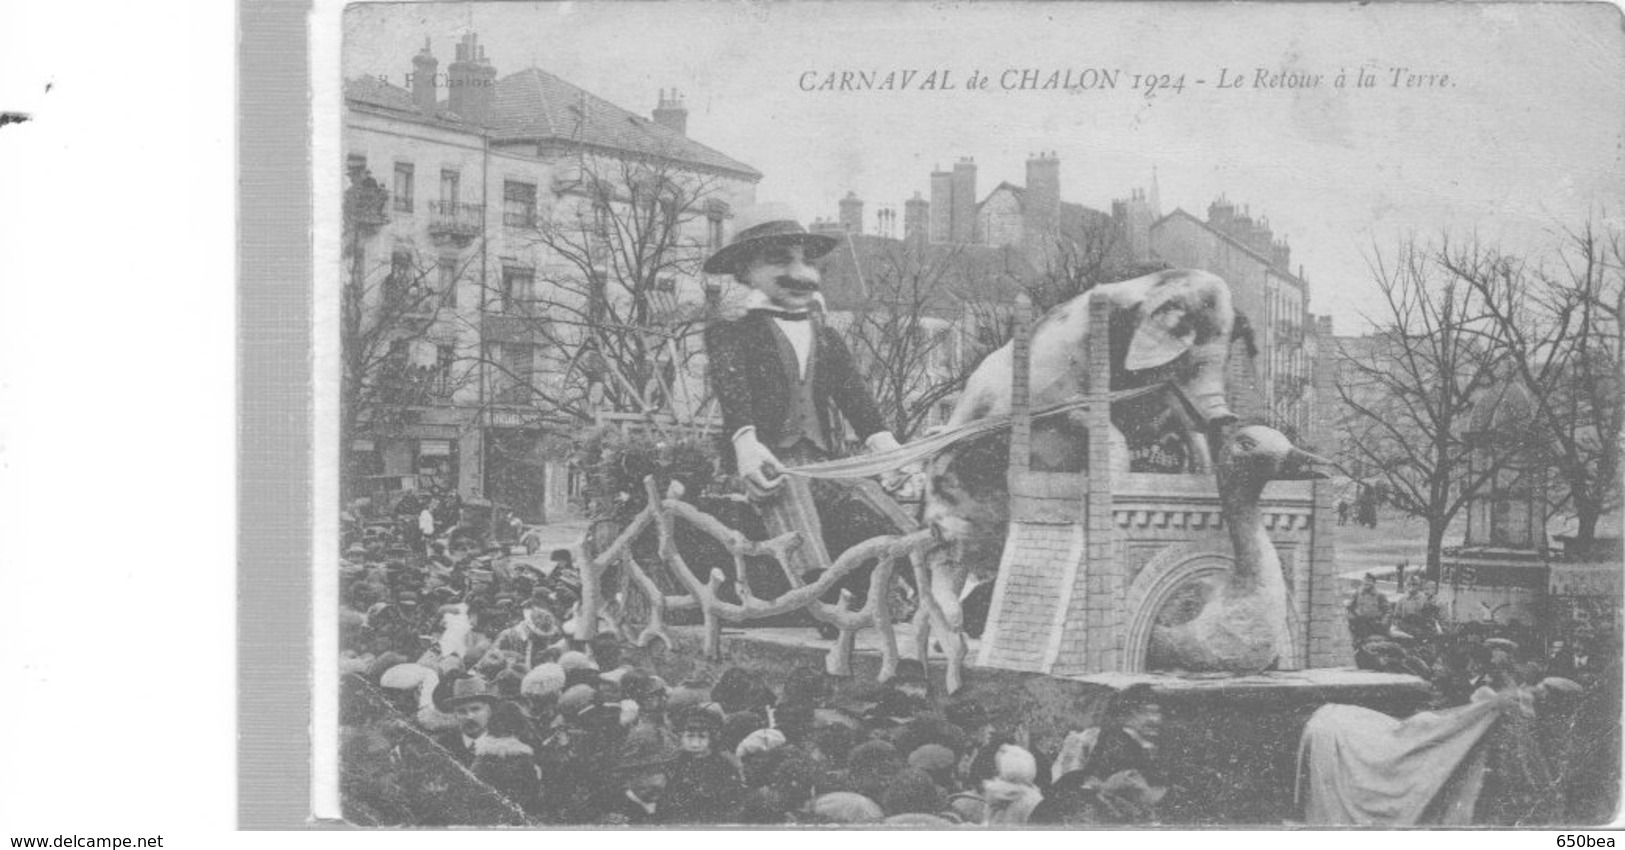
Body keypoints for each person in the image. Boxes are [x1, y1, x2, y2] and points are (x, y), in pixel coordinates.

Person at [702, 205, 914, 602]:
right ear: (746, 271)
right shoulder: (730, 333)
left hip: (824, 463)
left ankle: (924, 567)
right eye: (780, 260)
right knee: (789, 498)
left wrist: (884, 444)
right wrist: (746, 442)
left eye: (806, 261)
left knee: (872, 502)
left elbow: (854, 395)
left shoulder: (826, 336)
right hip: (764, 465)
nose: (800, 272)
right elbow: (733, 392)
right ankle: (820, 595)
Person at [661, 704, 746, 824]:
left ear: (711, 738)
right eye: (690, 736)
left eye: (702, 736)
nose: (695, 743)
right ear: (681, 737)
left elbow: (732, 804)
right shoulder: (674, 763)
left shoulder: (724, 766)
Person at [433, 675, 498, 767]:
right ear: (455, 715)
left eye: (475, 709)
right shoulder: (442, 745)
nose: (469, 716)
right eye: (461, 711)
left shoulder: (503, 744)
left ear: (489, 711)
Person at [1347, 573, 1391, 641]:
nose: (1367, 583)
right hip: (1359, 625)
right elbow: (1350, 608)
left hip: (1374, 625)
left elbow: (1388, 611)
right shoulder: (1358, 593)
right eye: (1365, 580)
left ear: (1374, 583)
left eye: (1369, 581)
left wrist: (1384, 624)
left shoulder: (1380, 595)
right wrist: (1352, 618)